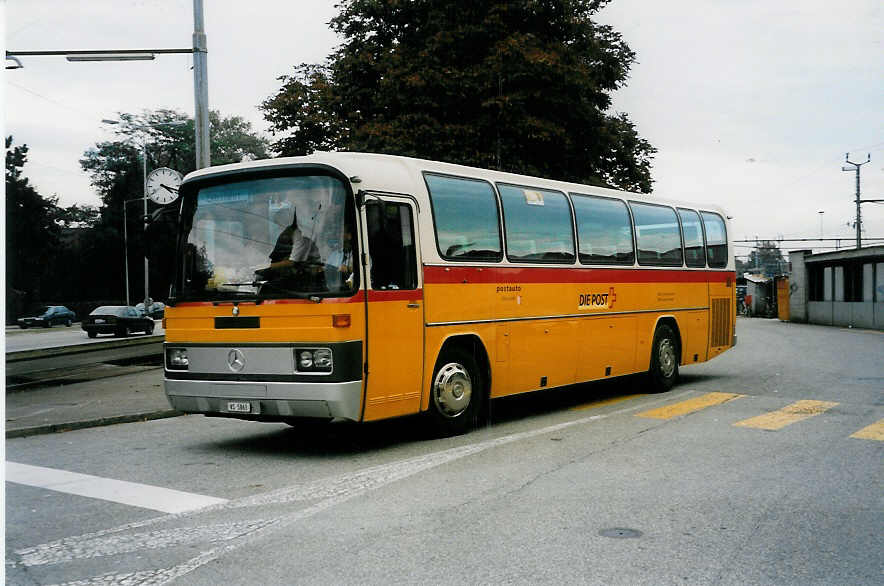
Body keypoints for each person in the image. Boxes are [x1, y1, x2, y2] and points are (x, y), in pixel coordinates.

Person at [257, 208, 320, 279]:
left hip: (302, 277)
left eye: (281, 224)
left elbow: (292, 262)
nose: (280, 227)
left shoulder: (300, 236)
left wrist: (269, 266)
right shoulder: (285, 235)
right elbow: (277, 256)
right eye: (278, 224)